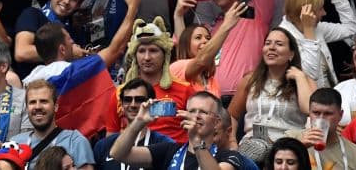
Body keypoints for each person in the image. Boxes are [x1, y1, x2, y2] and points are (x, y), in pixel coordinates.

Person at [106, 19, 193, 143]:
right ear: (135, 55)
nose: (147, 57)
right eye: (141, 51)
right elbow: (110, 140)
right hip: (131, 153)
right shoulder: (120, 93)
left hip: (172, 154)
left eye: (153, 50)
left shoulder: (185, 90)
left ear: (165, 54)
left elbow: (199, 131)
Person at [205, 0, 283, 100]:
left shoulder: (255, 13)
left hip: (246, 99)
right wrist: (179, 15)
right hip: (213, 100)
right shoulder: (214, 25)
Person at [109, 92, 243, 170]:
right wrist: (138, 122)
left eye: (203, 112)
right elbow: (118, 154)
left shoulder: (229, 156)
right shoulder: (169, 150)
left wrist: (196, 141)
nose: (196, 116)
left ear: (216, 122)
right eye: (191, 111)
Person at [229, 27, 314, 144]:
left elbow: (311, 110)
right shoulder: (250, 79)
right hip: (254, 145)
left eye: (279, 44)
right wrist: (232, 141)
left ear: (291, 54)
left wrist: (300, 78)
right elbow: (232, 115)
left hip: (288, 146)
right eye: (267, 43)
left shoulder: (304, 80)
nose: (272, 47)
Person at [279, 0, 356, 89]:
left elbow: (351, 29)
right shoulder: (282, 37)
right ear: (306, 11)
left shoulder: (317, 28)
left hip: (330, 94)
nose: (324, 13)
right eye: (320, 8)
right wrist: (308, 31)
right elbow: (311, 75)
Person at [10, 80, 94, 170]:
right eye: (32, 102)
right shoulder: (15, 144)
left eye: (44, 101)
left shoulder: (75, 141)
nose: (38, 107)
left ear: (56, 107)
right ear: (27, 108)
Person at [15, 0, 87, 77]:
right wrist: (67, 52)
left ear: (78, 5)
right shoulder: (32, 15)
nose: (67, 1)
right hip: (34, 84)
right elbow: (22, 52)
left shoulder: (74, 31)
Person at [92, 80, 173, 170]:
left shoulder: (164, 143)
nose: (133, 105)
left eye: (139, 100)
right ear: (121, 105)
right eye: (127, 100)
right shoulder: (103, 146)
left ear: (151, 103)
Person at [170, 2, 244, 98]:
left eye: (208, 38)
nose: (205, 41)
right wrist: (226, 25)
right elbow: (201, 60)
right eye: (198, 37)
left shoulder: (211, 81)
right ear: (186, 45)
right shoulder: (177, 67)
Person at [284, 88, 356, 170]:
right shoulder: (291, 138)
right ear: (309, 113)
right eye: (316, 113)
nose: (321, 119)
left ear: (340, 115)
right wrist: (299, 147)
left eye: (328, 113)